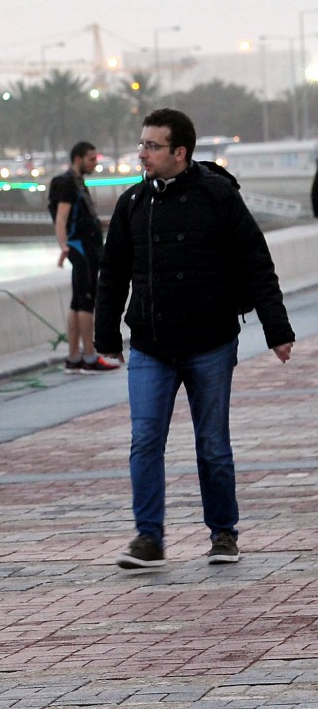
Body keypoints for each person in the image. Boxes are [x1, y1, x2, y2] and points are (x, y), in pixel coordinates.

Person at [95, 108, 295, 570]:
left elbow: (255, 262)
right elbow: (112, 277)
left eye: (153, 146)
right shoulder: (132, 204)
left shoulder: (218, 195)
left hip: (210, 342)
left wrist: (277, 331)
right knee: (145, 440)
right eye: (142, 144)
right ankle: (149, 539)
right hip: (150, 343)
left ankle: (223, 534)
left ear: (180, 152)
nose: (143, 154)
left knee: (212, 444)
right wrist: (107, 336)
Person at [49, 141, 119, 374]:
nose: (95, 164)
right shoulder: (68, 184)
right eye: (91, 159)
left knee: (77, 301)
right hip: (81, 250)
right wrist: (64, 247)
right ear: (78, 158)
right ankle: (89, 356)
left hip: (85, 248)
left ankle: (74, 356)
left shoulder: (77, 183)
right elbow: (61, 218)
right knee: (87, 301)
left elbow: (84, 217)